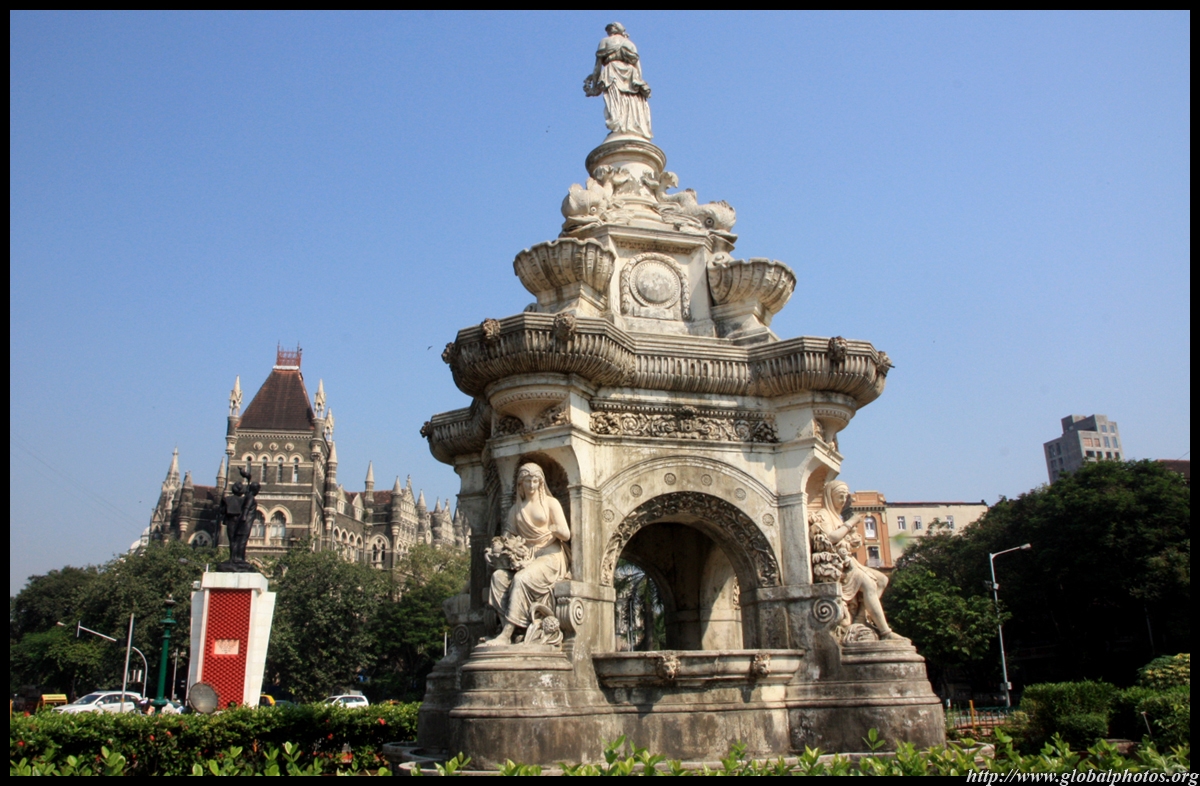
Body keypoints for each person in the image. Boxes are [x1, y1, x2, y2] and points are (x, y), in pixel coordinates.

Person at [485, 463, 571, 645]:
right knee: (498, 578)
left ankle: (506, 634)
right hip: (524, 557)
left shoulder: (551, 503)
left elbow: (566, 533)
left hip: (550, 555)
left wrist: (554, 529)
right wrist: (494, 550)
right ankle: (515, 629)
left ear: (541, 483)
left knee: (521, 579)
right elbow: (506, 539)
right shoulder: (515, 510)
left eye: (535, 481)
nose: (531, 485)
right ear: (520, 484)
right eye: (527, 481)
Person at [809, 479, 901, 640]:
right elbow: (831, 538)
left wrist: (853, 541)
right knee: (869, 585)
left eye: (845, 497)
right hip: (839, 566)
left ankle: (860, 618)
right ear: (830, 496)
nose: (843, 500)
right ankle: (885, 632)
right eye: (840, 496)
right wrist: (851, 523)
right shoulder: (824, 514)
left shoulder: (837, 517)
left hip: (849, 562)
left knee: (882, 580)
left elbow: (843, 542)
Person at [584, 23, 653, 139]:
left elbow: (598, 66)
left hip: (612, 72)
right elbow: (638, 67)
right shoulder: (630, 44)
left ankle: (620, 126)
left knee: (616, 102)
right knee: (629, 101)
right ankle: (628, 126)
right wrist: (638, 80)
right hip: (631, 74)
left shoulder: (605, 41)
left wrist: (594, 86)